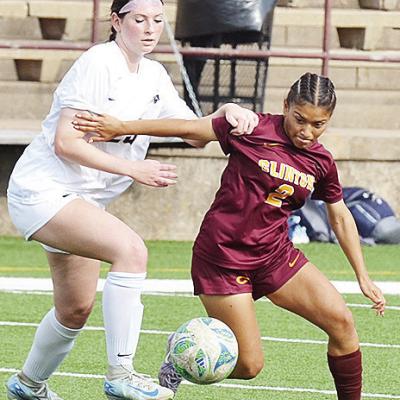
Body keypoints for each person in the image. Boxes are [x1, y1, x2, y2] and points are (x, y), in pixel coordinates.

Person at [72, 72, 386, 400]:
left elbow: (339, 215)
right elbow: (189, 128)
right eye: (300, 119)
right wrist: (122, 127)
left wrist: (362, 276)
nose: (307, 132)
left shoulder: (321, 162)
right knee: (249, 365)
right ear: (286, 106)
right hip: (223, 258)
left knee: (343, 324)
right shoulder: (250, 129)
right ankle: (180, 358)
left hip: (274, 255)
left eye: (318, 124)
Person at [4, 0, 259, 399]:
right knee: (132, 251)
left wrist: (225, 112)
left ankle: (28, 385)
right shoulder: (98, 63)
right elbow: (66, 142)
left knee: (74, 310)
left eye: (157, 20)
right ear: (116, 21)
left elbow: (193, 133)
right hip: (43, 191)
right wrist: (133, 169)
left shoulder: (154, 74)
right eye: (139, 19)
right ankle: (121, 373)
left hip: (83, 202)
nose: (149, 28)